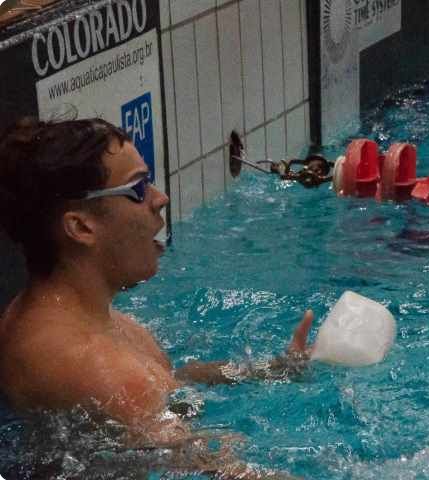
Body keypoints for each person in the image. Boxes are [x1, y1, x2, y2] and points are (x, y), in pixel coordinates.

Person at [0, 118, 313, 479]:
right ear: (81, 227)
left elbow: (171, 381)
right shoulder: (98, 367)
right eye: (138, 188)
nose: (160, 198)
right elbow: (217, 467)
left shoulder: (84, 320)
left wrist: (266, 370)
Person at [267, 154, 334, 188]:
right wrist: (284, 170)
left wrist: (284, 170)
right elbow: (291, 161)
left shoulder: (307, 167)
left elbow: (292, 161)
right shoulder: (306, 169)